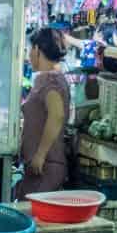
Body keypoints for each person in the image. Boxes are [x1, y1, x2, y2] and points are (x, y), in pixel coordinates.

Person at [16, 27, 71, 198]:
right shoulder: (49, 78)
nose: (28, 56)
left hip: (46, 166)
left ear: (37, 49)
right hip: (40, 166)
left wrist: (40, 155)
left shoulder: (50, 79)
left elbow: (57, 115)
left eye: (29, 50)